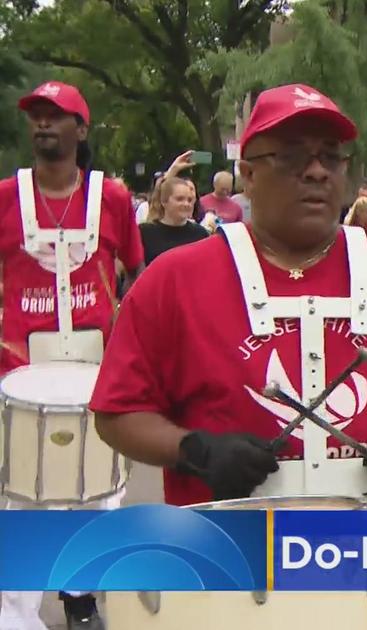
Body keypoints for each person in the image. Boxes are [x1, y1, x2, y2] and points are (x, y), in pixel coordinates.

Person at [89, 84, 367, 508]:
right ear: (248, 174)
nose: (317, 171)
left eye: (331, 157)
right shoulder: (173, 280)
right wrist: (193, 450)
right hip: (224, 553)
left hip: (364, 553)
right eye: (293, 156)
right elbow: (117, 412)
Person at [0, 80, 145, 630]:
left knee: (97, 491)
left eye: (55, 116)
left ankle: (81, 594)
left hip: (93, 369)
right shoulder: (5, 196)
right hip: (22, 372)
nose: (42, 125)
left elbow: (136, 273)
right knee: (26, 493)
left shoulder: (110, 199)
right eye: (36, 115)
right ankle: (15, 613)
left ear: (80, 130)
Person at [138, 176, 209, 266]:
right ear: (164, 202)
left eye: (189, 200)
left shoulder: (200, 234)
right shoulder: (144, 232)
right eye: (180, 199)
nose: (186, 204)